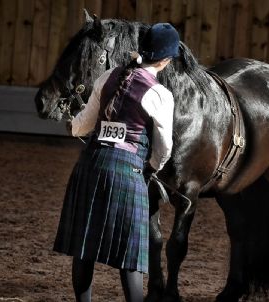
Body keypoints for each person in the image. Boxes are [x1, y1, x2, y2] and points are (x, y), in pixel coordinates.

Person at [53, 23, 180, 302]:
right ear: (166, 60)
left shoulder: (108, 76)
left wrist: (72, 125)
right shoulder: (161, 95)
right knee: (129, 257)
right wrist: (153, 168)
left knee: (83, 247)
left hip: (91, 165)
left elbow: (81, 126)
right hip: (129, 171)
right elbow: (164, 147)